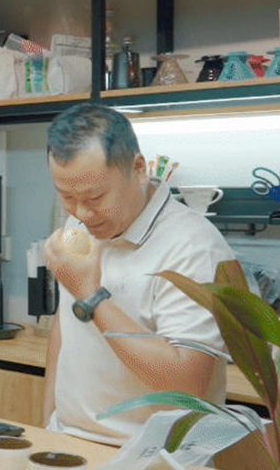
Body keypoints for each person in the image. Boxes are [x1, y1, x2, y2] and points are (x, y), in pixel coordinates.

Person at [41, 103, 234, 446]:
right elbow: (65, 328)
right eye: (66, 196)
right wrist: (47, 427)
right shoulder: (82, 223)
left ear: (139, 169)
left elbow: (186, 384)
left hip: (152, 456)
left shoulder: (193, 246)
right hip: (68, 442)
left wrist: (92, 297)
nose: (81, 213)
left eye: (95, 197)